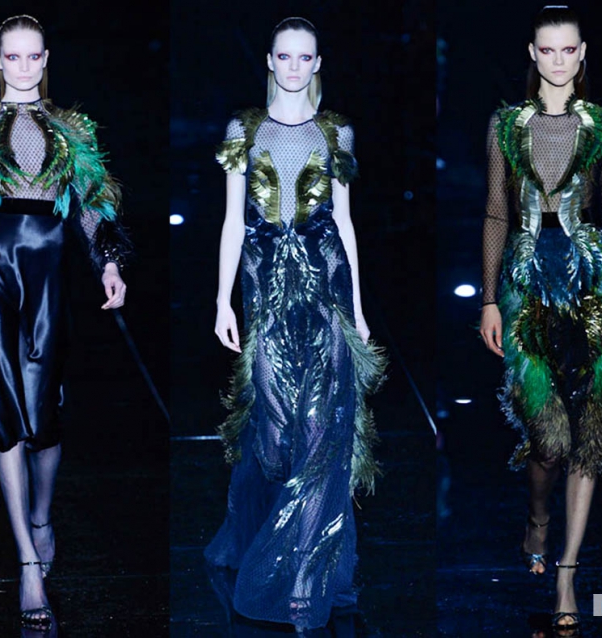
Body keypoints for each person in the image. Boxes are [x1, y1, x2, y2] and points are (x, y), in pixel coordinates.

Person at [0, 14, 128, 630]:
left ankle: (43, 516)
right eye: (13, 56)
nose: (23, 66)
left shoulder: (70, 128)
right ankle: (27, 560)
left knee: (42, 418)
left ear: (46, 58)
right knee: (4, 421)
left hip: (48, 276)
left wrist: (109, 263)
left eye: (33, 56)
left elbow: (93, 202)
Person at [204, 16, 386, 631]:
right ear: (269, 60)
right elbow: (233, 221)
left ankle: (307, 573)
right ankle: (264, 535)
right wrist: (222, 301)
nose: (293, 67)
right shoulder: (245, 130)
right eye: (284, 56)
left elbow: (345, 221)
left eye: (304, 57)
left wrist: (358, 308)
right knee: (275, 433)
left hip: (326, 290)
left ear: (317, 64)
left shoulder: (336, 132)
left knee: (320, 430)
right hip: (265, 292)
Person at [479, 6, 602, 632]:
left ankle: (567, 573)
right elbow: (496, 212)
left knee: (592, 429)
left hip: (590, 282)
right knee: (547, 438)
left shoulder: (601, 126)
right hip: (526, 284)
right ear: (532, 53)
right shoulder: (506, 126)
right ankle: (538, 518)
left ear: (582, 52)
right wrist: (488, 300)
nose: (557, 60)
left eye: (568, 49)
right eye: (546, 50)